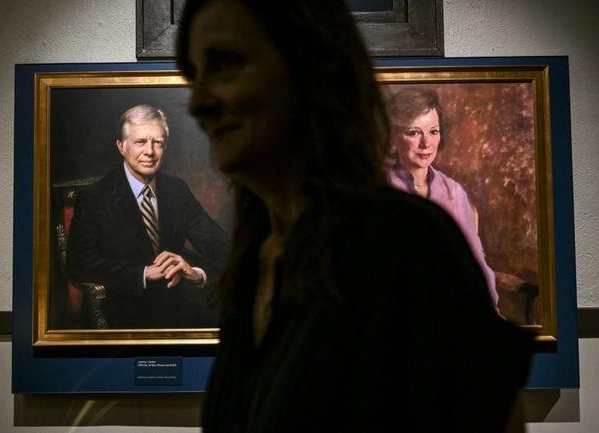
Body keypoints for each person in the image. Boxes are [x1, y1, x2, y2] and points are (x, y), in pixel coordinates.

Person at [177, 0, 534, 432]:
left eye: (227, 64)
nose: (198, 103)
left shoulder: (407, 240)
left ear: (312, 68)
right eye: (195, 76)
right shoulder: (255, 259)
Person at [66, 104, 229, 329]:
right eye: (140, 142)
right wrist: (142, 273)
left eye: (158, 143)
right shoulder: (96, 197)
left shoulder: (176, 190)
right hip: (121, 307)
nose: (150, 152)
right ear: (121, 146)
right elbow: (78, 263)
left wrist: (195, 273)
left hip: (176, 302)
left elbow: (223, 248)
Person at [386, 88, 499, 305]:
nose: (426, 144)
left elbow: (476, 264)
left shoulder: (454, 192)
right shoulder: (378, 193)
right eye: (414, 132)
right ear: (393, 138)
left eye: (433, 132)